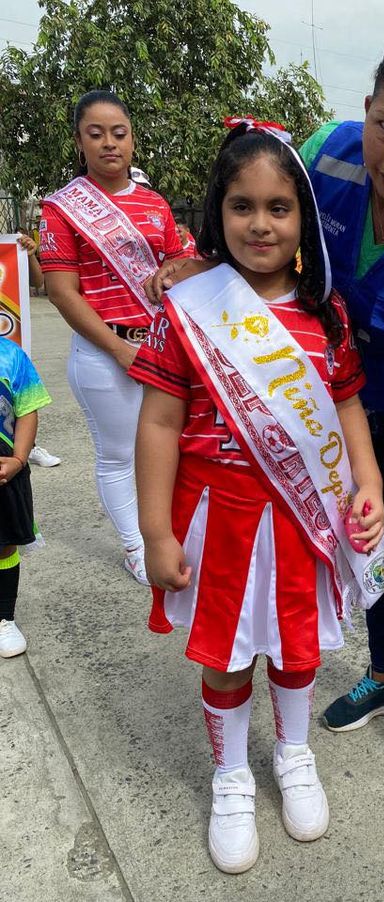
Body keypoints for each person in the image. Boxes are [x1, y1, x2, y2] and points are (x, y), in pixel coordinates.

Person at [148, 28, 384, 820]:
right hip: (322, 388)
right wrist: (209, 267)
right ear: (365, 110)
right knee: (354, 543)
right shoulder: (326, 153)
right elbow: (258, 206)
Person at [132, 120, 384, 873]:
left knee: (296, 647)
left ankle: (293, 753)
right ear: (217, 212)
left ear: (303, 218)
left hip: (302, 519)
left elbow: (346, 407)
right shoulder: (188, 308)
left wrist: (370, 482)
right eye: (241, 206)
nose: (260, 224)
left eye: (279, 207)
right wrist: (155, 531)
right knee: (226, 653)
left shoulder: (325, 314)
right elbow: (158, 422)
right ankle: (231, 775)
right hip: (217, 519)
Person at [40, 90, 189, 585]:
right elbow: (62, 292)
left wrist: (174, 269)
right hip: (106, 353)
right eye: (96, 133)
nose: (109, 143)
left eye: (119, 133)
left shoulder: (154, 202)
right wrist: (119, 349)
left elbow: (179, 260)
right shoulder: (63, 209)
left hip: (160, 346)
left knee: (168, 448)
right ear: (79, 142)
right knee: (119, 455)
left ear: (132, 139)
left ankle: (166, 534)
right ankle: (135, 547)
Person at [0, 336, 52, 657]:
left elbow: (28, 410)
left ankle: (4, 617)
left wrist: (19, 459)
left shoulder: (10, 355)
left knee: (4, 542)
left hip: (5, 473)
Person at [15, 231, 62, 468]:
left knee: (17, 393)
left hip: (8, 334)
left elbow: (37, 281)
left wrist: (30, 254)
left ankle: (26, 446)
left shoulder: (10, 244)